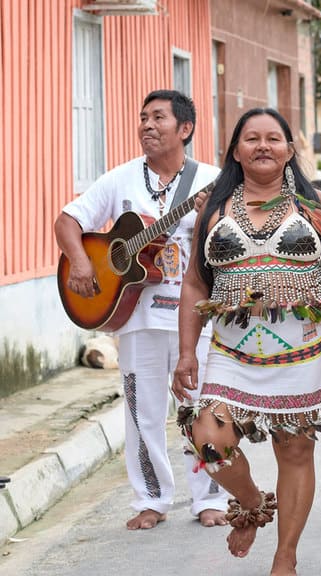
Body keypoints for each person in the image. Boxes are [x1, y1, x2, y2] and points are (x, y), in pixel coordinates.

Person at [172, 108, 321, 575]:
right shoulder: (214, 211)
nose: (263, 146)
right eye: (251, 138)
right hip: (231, 353)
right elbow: (196, 285)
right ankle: (254, 502)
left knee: (295, 450)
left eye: (273, 138)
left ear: (289, 149)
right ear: (235, 150)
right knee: (209, 440)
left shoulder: (316, 205)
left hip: (303, 350)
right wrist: (184, 352)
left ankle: (285, 556)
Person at [54, 89, 228, 530]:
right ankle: (151, 500)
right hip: (136, 317)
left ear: (185, 129)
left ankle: (210, 499)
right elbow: (68, 220)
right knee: (141, 413)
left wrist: (212, 219)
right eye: (143, 118)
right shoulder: (120, 179)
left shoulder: (213, 181)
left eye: (158, 118)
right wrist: (79, 262)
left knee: (205, 410)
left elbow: (235, 242)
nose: (147, 125)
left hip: (199, 318)